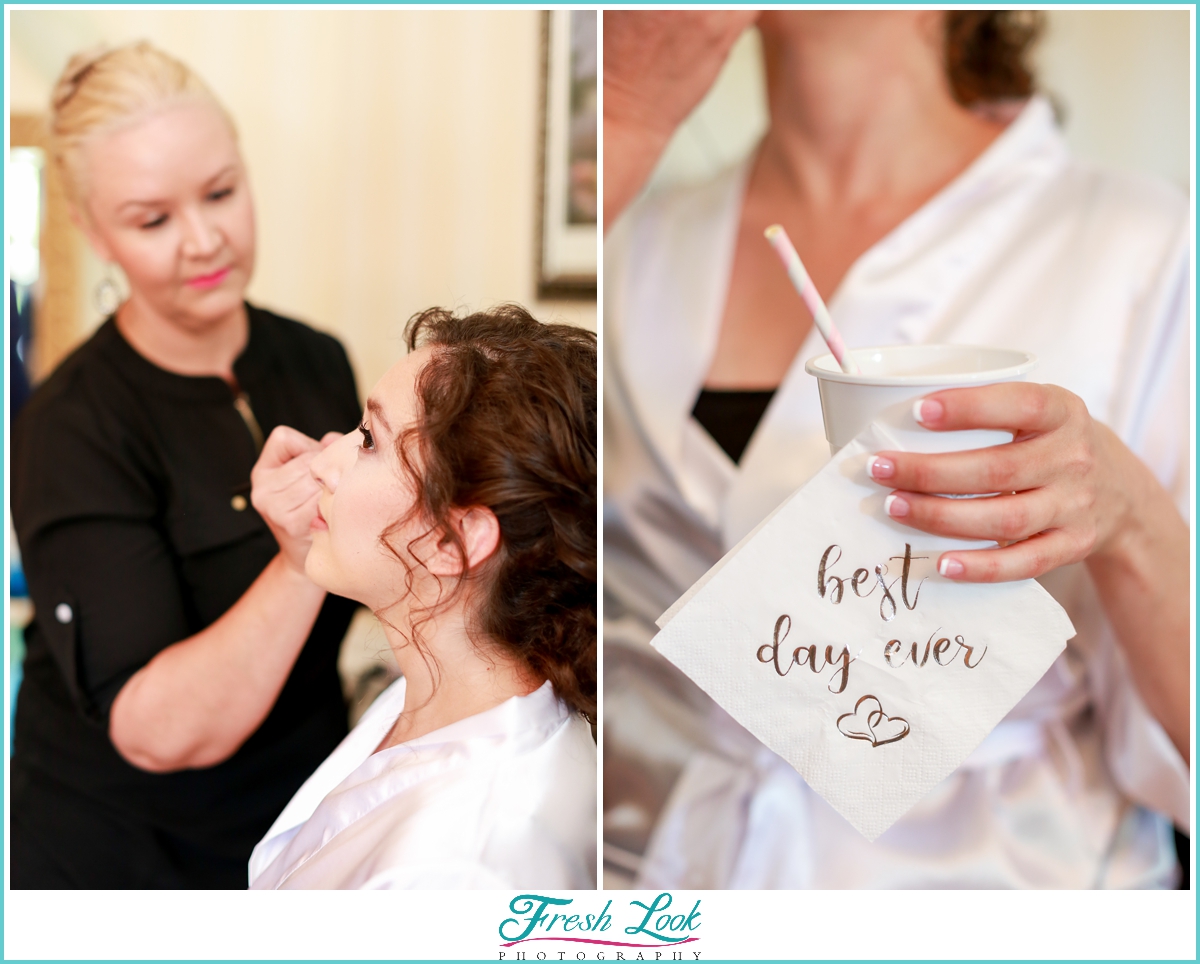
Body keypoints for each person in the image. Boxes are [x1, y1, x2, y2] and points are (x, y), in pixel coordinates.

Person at [603, 11, 1189, 888]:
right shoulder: (640, 238)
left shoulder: (1139, 245)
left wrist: (1132, 516)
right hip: (660, 889)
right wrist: (623, 117)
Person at [11, 41, 362, 887]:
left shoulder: (314, 361)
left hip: (303, 813)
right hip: (125, 853)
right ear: (93, 232)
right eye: (152, 219)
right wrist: (298, 556)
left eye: (221, 193)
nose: (204, 240)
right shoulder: (73, 426)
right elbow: (155, 730)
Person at [248, 305, 597, 889]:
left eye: (366, 440)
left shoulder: (462, 867)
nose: (322, 459)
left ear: (452, 541)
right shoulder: (437, 690)